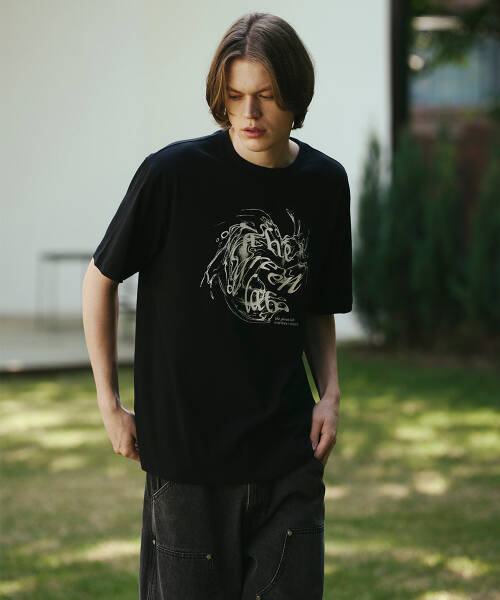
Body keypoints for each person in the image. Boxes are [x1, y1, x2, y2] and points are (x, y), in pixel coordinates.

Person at [82, 11, 352, 600]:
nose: (249, 114)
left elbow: (315, 305)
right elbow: (99, 281)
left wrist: (329, 393)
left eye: (267, 97)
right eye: (235, 96)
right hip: (186, 464)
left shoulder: (326, 182)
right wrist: (109, 403)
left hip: (288, 458)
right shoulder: (172, 174)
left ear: (295, 96)